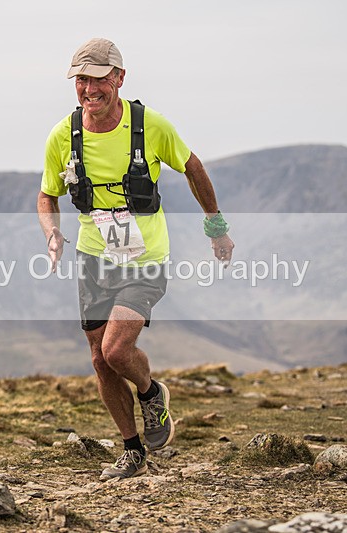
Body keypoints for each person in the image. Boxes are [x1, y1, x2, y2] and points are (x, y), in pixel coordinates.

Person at [37, 38, 234, 480]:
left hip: (146, 257)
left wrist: (216, 227)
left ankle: (150, 392)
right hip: (93, 258)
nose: (89, 88)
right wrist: (52, 233)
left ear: (119, 78)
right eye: (81, 79)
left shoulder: (151, 126)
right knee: (99, 360)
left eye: (98, 78)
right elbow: (46, 194)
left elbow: (193, 167)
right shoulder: (63, 136)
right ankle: (131, 450)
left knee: (115, 348)